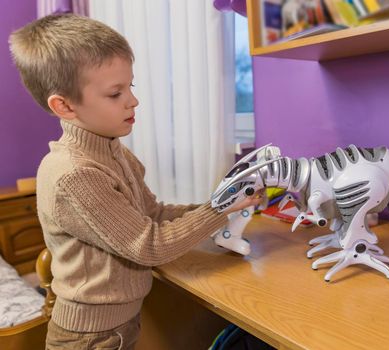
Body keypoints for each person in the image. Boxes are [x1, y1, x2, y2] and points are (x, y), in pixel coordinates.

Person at [9, 14, 261, 350]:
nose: (133, 100)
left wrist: (223, 204)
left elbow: (152, 213)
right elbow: (148, 246)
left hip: (119, 324)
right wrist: (216, 211)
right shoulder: (75, 174)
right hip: (89, 338)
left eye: (131, 86)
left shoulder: (114, 153)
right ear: (64, 106)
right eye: (115, 93)